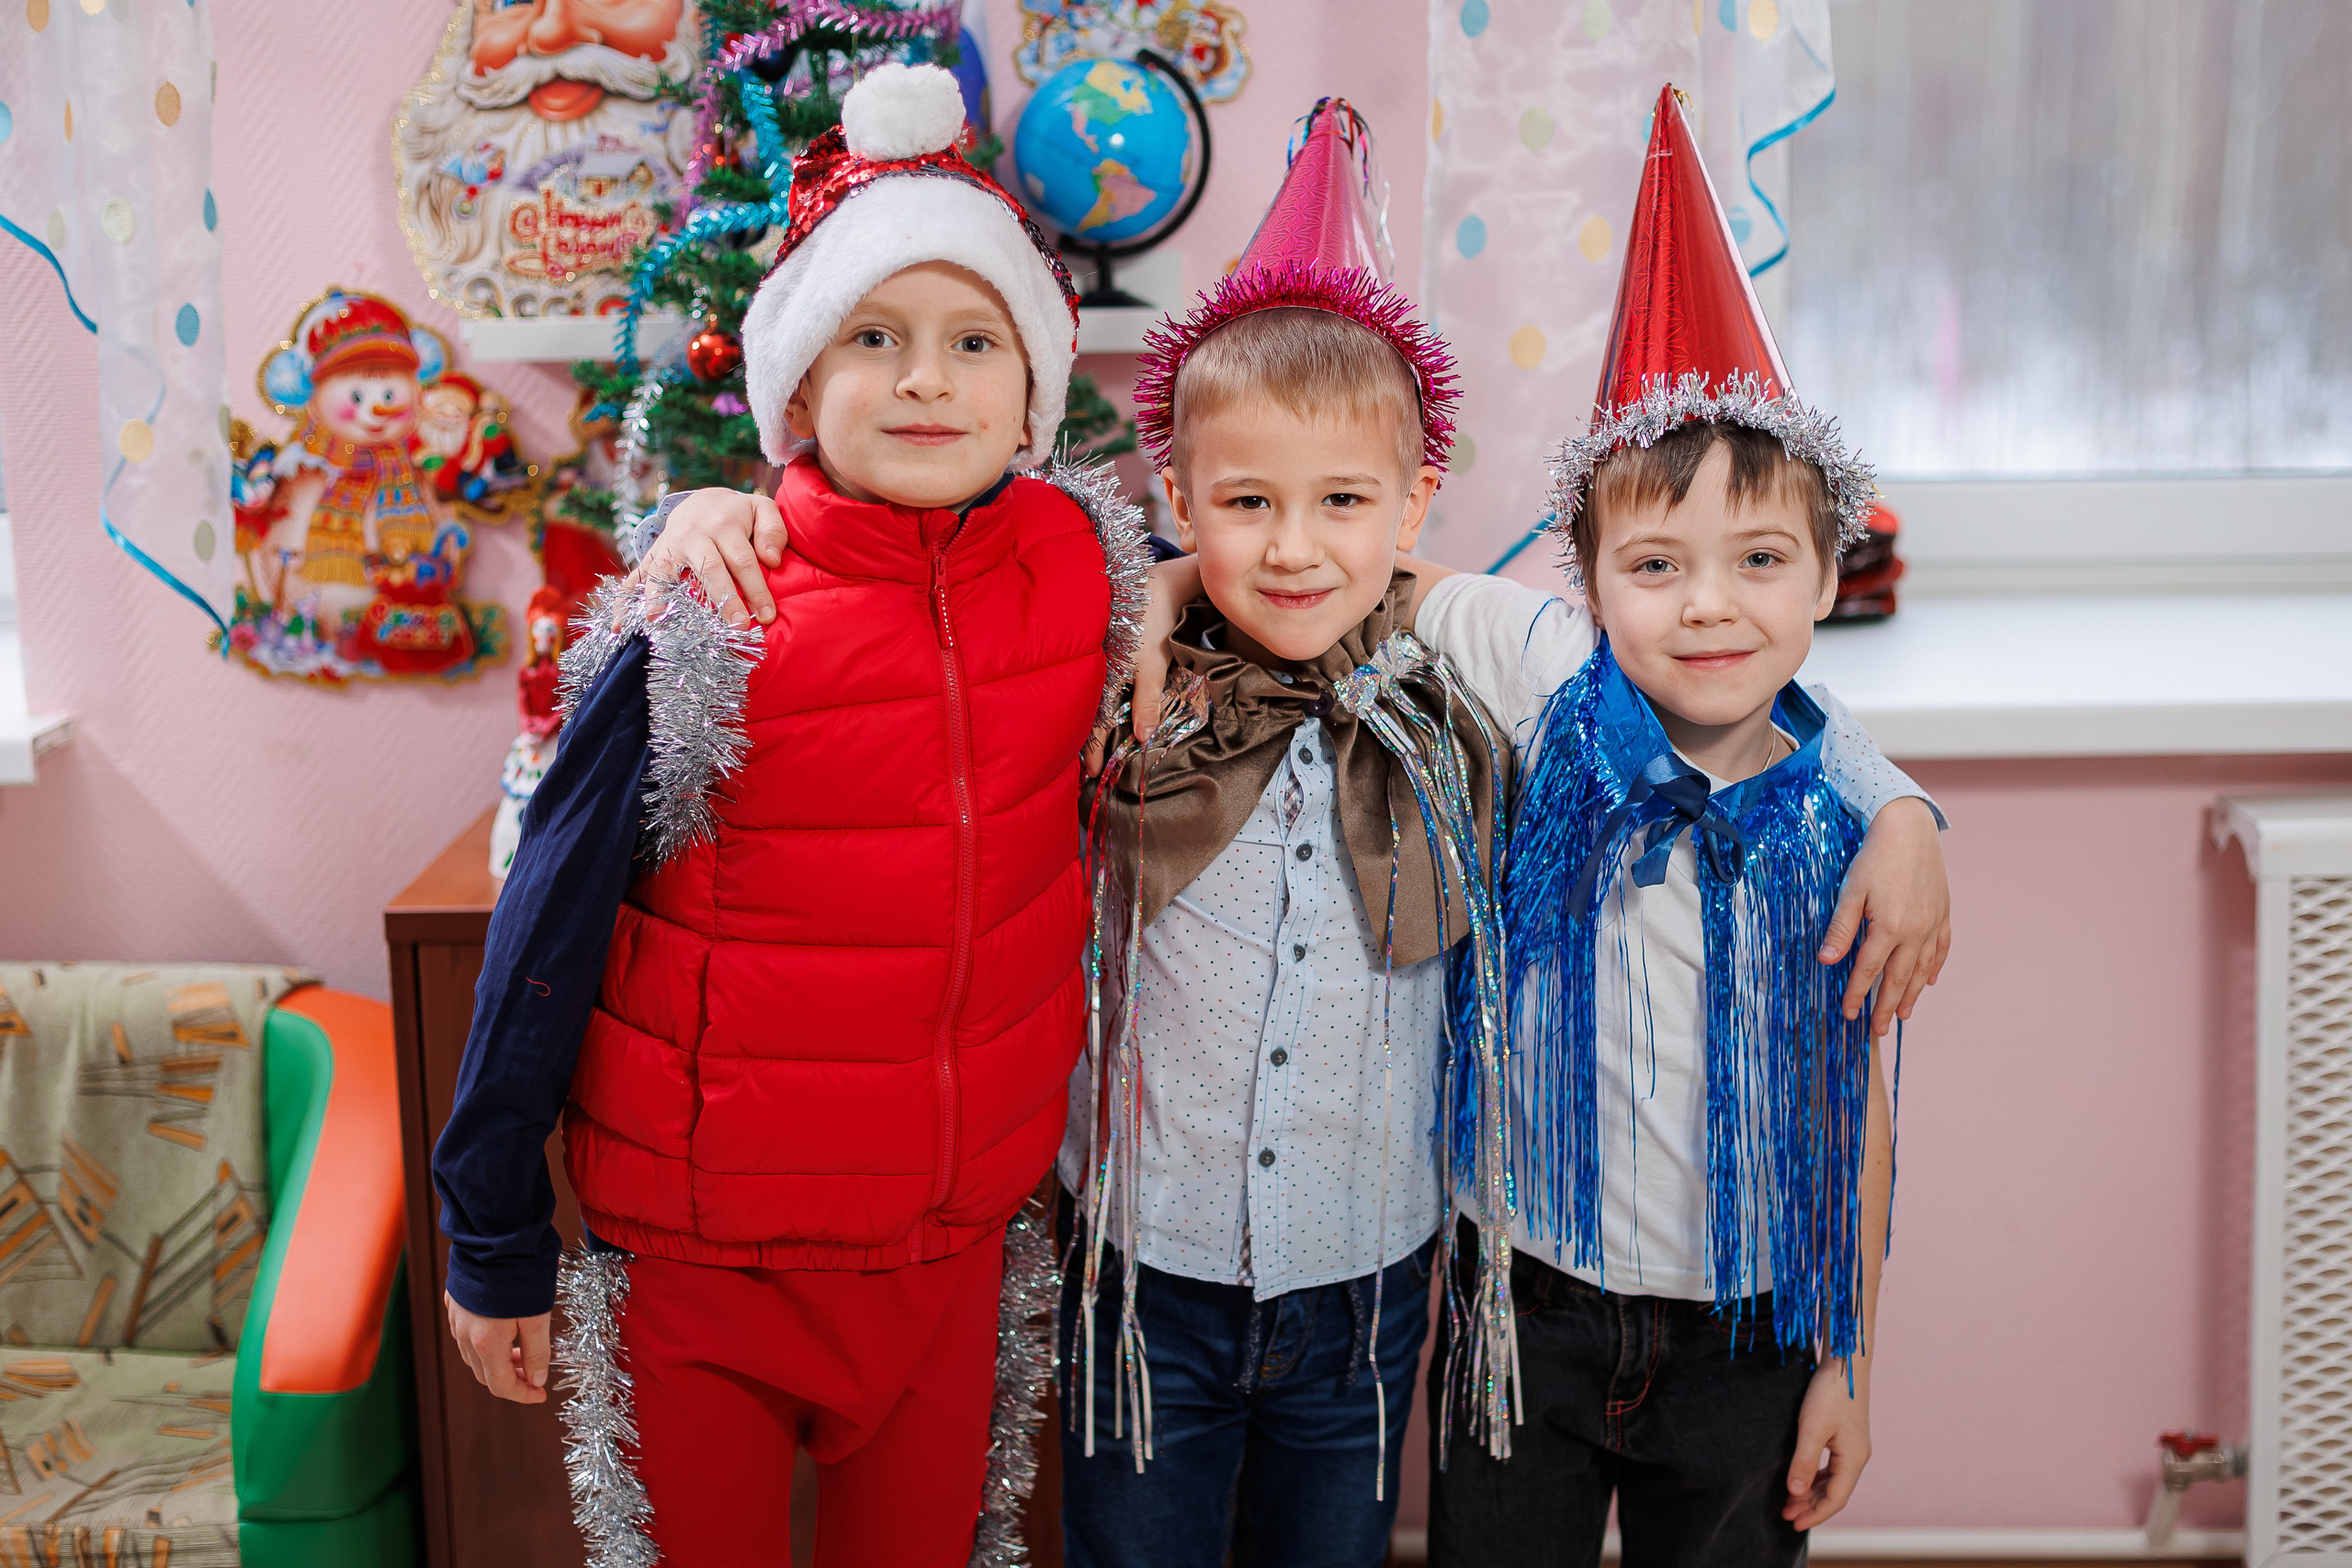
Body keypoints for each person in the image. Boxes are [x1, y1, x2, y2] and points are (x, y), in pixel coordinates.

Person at [651, 93, 1947, 1568]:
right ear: (1183, 503)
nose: (1291, 542)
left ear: (1414, 507)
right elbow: (910, 594)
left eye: (1341, 501)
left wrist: (1899, 805)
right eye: (1247, 503)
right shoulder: (1101, 638)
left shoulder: (1491, 657)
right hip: (1143, 1275)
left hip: (1374, 1281)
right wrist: (715, 507)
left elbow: (1704, 667)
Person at [428, 63, 1149, 1567]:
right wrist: (491, 1237)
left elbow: (1273, 561)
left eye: (973, 342)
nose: (926, 381)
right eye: (871, 339)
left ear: (1035, 388)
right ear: (799, 388)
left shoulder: (1086, 570)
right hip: (708, 1266)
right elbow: (542, 932)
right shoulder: (708, 608)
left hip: (948, 1257)